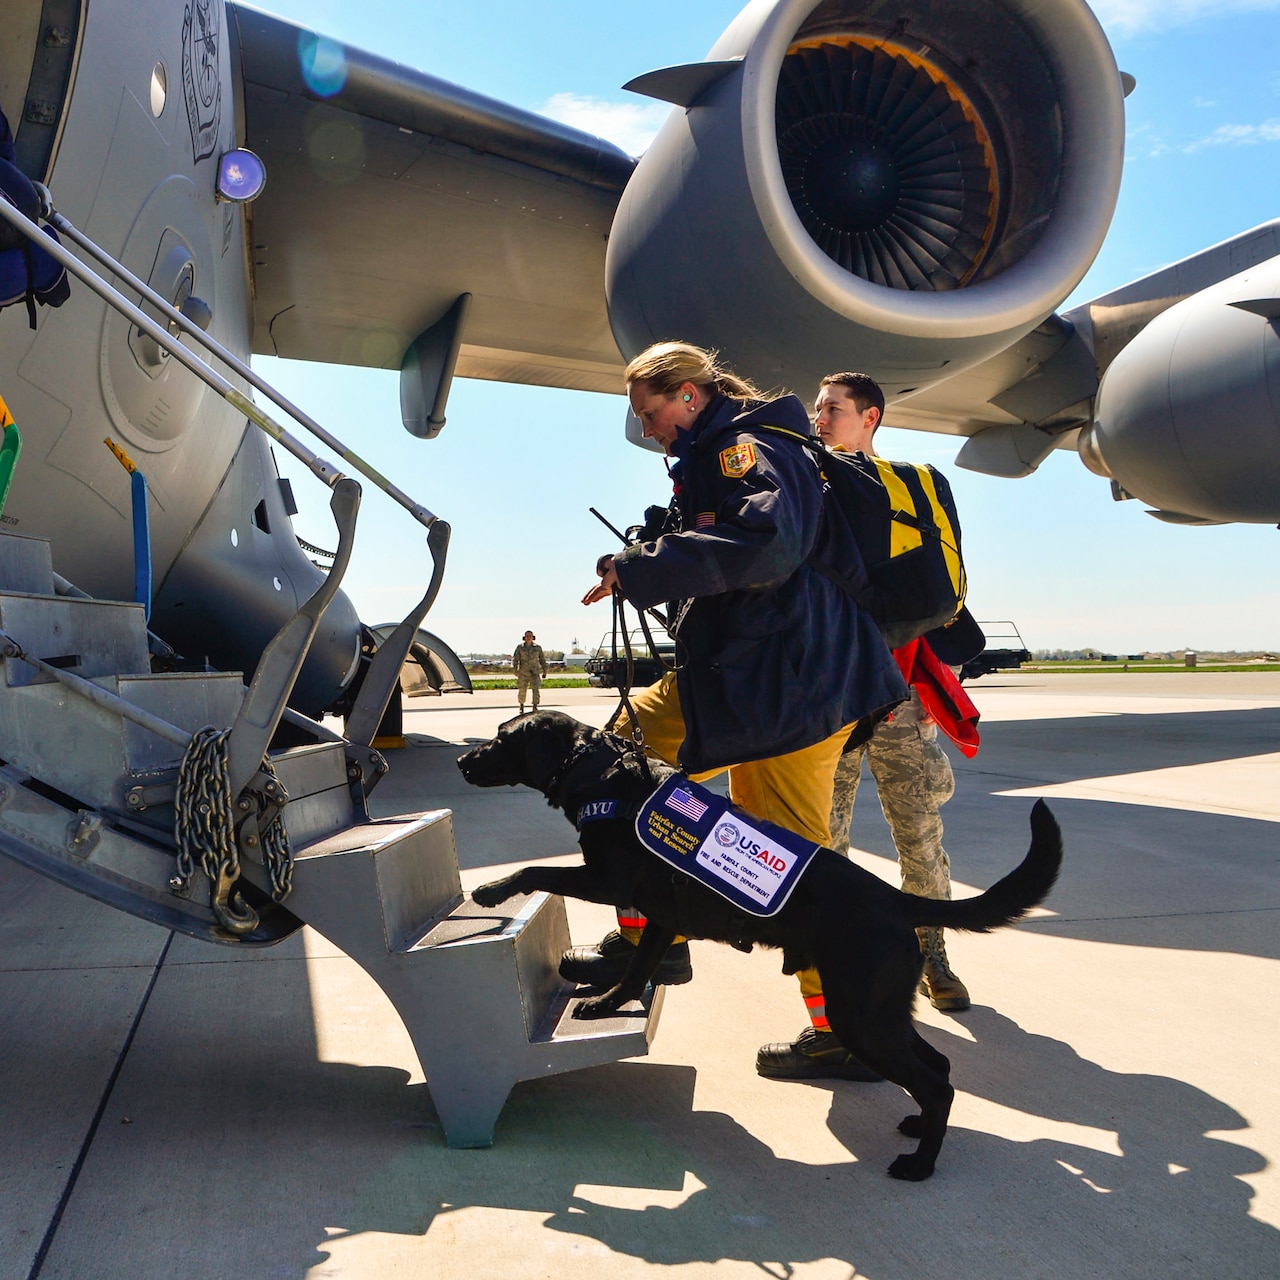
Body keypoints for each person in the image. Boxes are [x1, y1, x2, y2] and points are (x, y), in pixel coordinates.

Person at [562, 341, 907, 1053]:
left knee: (788, 865)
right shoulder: (720, 454)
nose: (648, 429)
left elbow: (767, 546)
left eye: (651, 412)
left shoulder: (746, 449)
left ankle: (848, 1031)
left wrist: (650, 567)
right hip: (735, 674)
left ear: (689, 395)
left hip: (791, 688)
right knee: (615, 762)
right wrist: (655, 553)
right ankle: (654, 939)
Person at [817, 373, 971, 1012]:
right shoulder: (806, 485)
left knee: (919, 829)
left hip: (902, 694)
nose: (819, 418)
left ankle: (932, 955)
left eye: (832, 409)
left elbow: (950, 581)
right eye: (817, 408)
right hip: (830, 691)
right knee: (825, 836)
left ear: (870, 417)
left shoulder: (918, 483)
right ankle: (846, 960)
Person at [512, 630, 547, 714]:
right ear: (524, 637)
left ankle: (535, 706)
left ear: (533, 637)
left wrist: (545, 671)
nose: (528, 637)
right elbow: (515, 659)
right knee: (522, 690)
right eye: (527, 636)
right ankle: (521, 706)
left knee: (536, 690)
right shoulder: (520, 647)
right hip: (523, 672)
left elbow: (542, 659)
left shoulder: (538, 648)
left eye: (530, 636)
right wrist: (515, 670)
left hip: (534, 672)